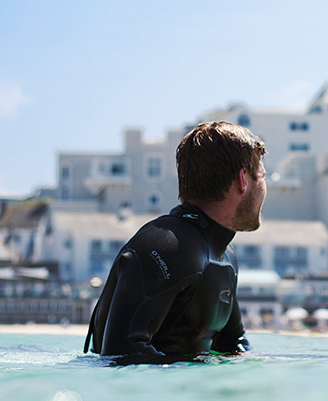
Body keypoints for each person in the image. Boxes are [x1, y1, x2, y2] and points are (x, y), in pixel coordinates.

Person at [83, 121, 267, 364]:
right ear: (243, 179)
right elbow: (122, 354)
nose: (265, 187)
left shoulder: (225, 255)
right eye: (262, 176)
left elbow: (232, 345)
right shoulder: (164, 245)